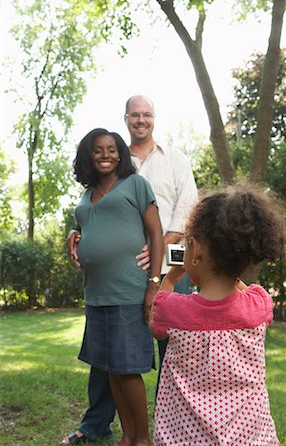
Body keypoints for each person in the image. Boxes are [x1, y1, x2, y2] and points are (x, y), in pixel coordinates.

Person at [64, 95, 198, 444]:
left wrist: (158, 259)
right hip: (106, 285)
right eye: (135, 115)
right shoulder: (106, 173)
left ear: (154, 118)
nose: (141, 120)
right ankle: (101, 425)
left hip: (168, 268)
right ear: (126, 119)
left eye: (147, 114)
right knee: (109, 362)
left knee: (170, 356)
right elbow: (100, 216)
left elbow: (187, 215)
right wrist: (79, 234)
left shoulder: (175, 161)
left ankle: (172, 427)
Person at [149, 183, 285, 445]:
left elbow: (155, 323)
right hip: (249, 435)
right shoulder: (259, 304)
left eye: (187, 244)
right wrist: (231, 272)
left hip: (186, 437)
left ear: (196, 249)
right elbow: (239, 291)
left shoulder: (172, 309)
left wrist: (170, 278)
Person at [62, 128, 163, 446]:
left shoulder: (135, 184)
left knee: (127, 369)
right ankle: (128, 436)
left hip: (128, 291)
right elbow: (89, 224)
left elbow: (156, 235)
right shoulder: (86, 192)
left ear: (120, 154)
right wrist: (73, 233)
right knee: (111, 370)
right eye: (97, 149)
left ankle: (142, 439)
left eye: (111, 149)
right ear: (88, 156)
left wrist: (154, 284)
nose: (105, 154)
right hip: (96, 293)